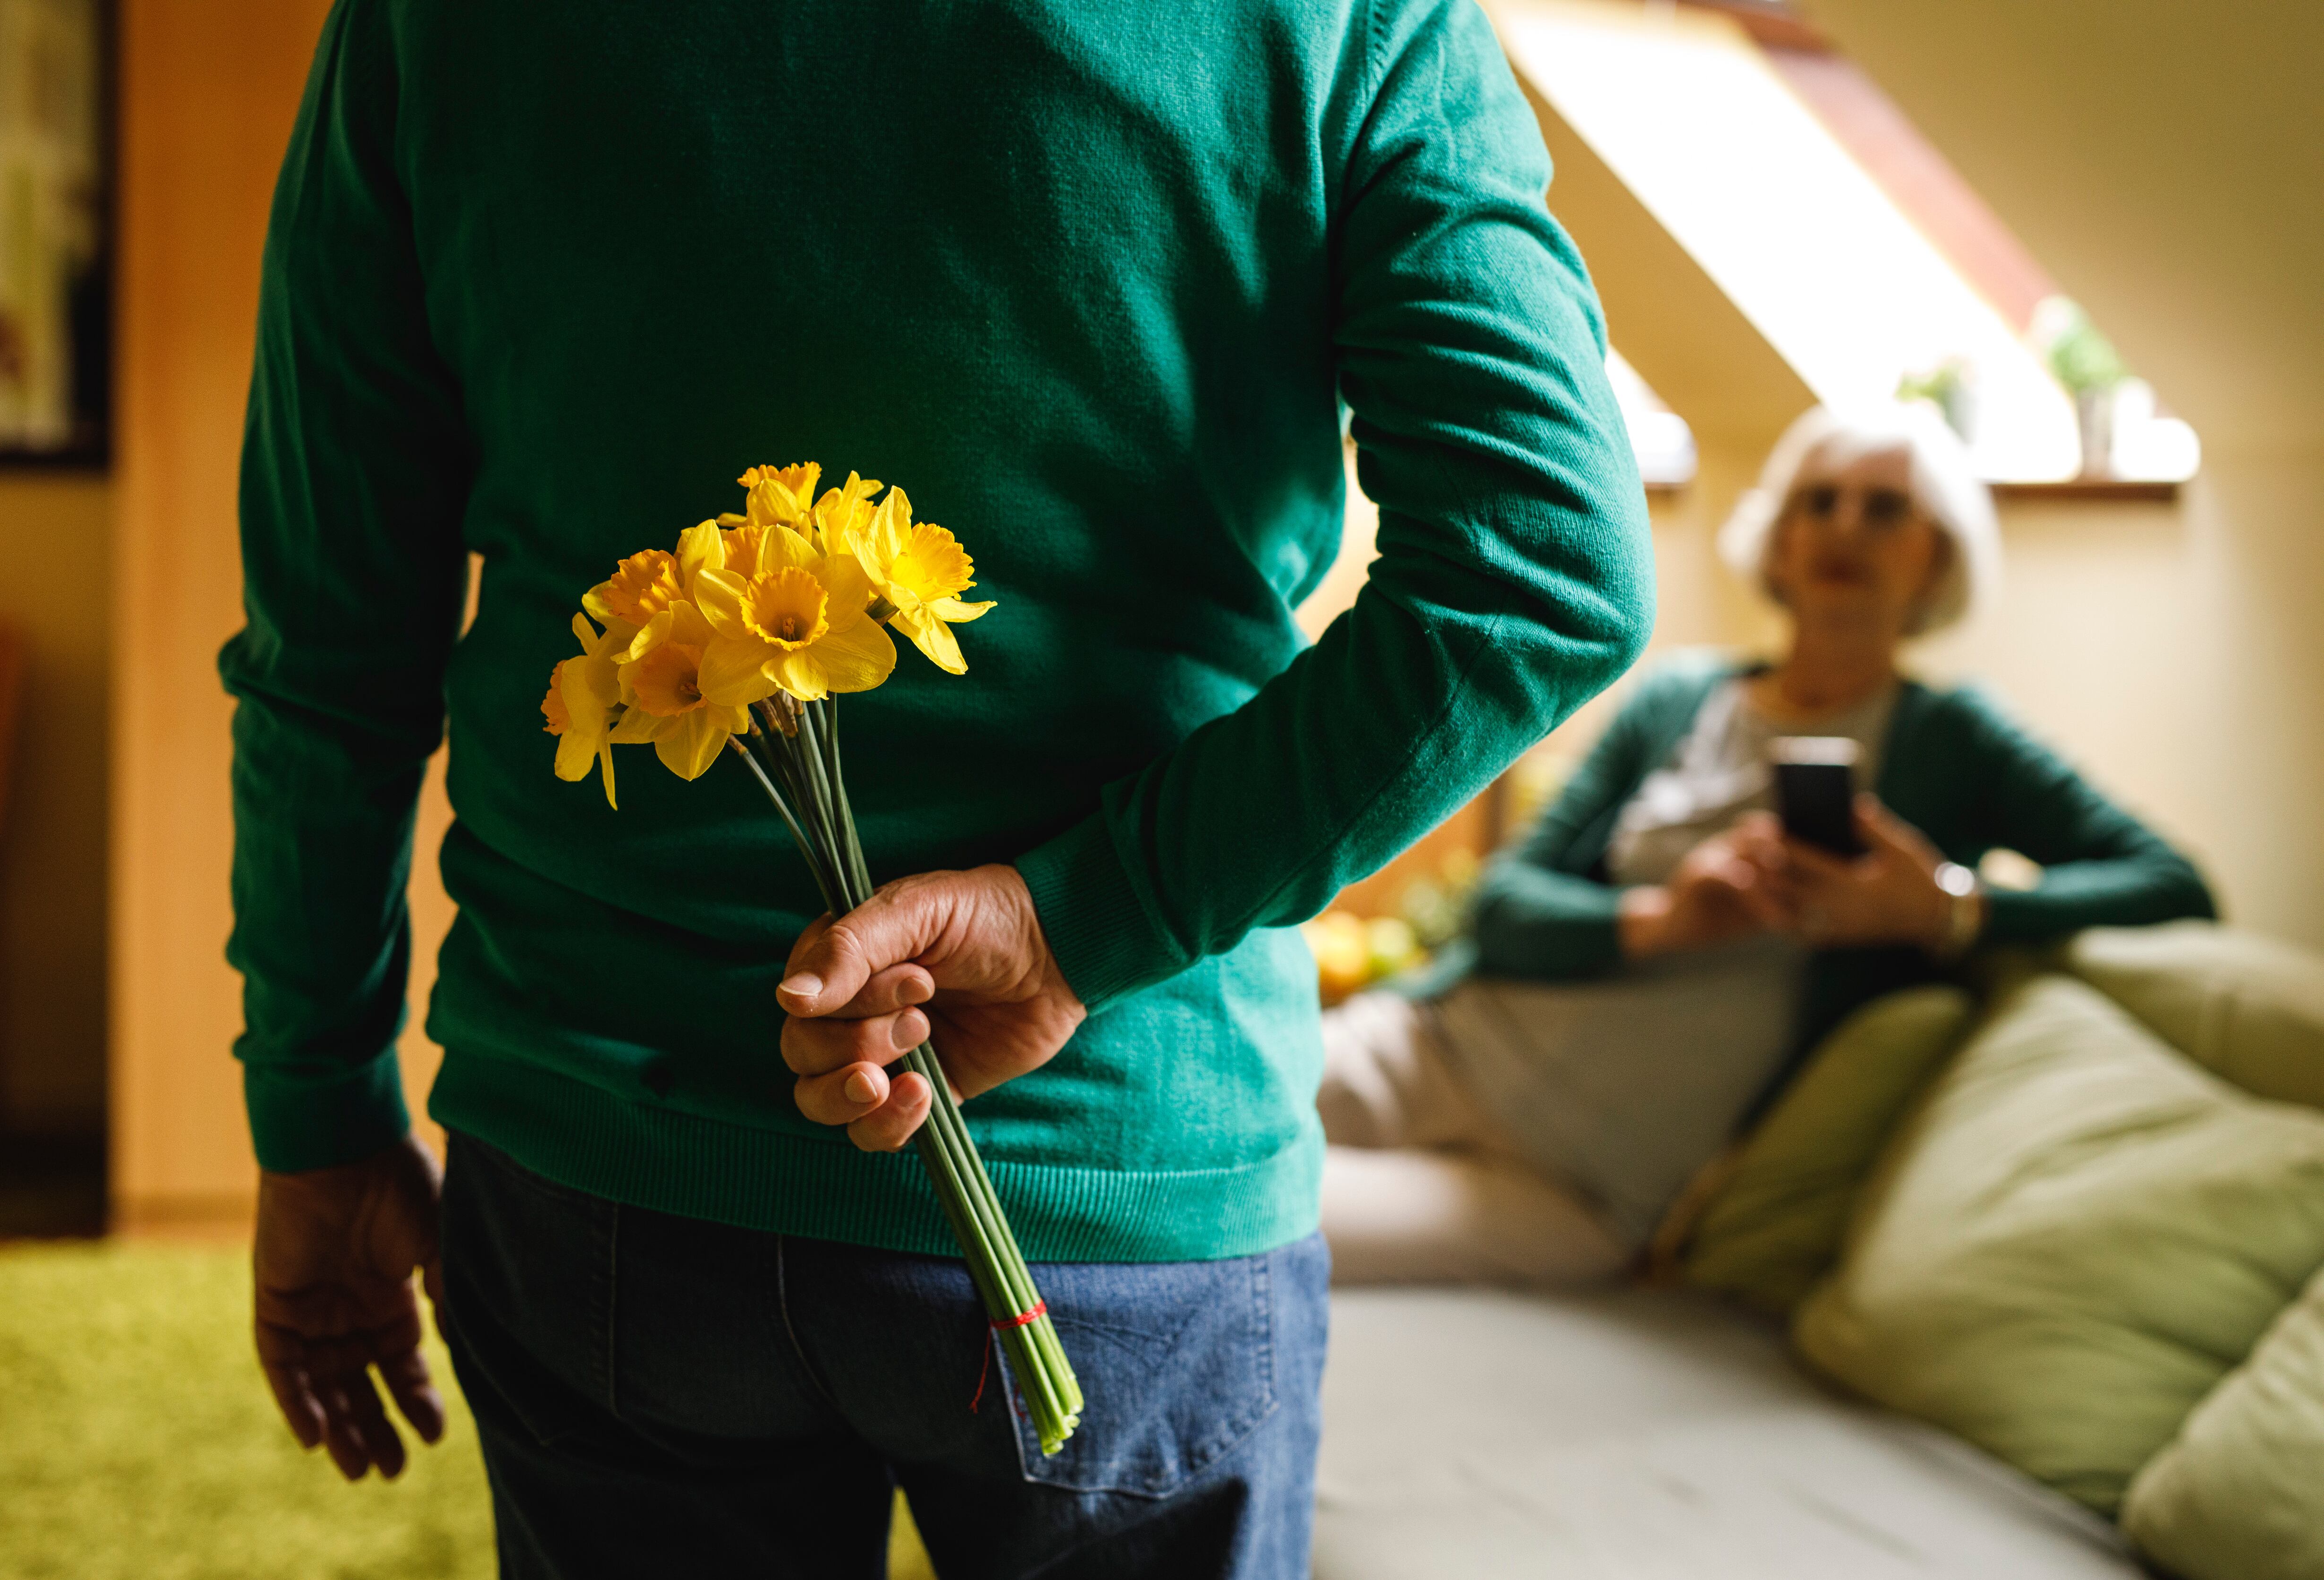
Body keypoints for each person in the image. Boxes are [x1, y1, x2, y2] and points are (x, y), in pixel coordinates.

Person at [225, 3, 1654, 1576]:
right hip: (1126, 1173)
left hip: (610, 1171)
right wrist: (1079, 922)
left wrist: (317, 1114)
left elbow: (331, 653)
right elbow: (1548, 565)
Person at [1317, 403, 2216, 1288]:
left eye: (1885, 507)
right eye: (1817, 502)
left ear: (1937, 556)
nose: (1844, 528)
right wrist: (1663, 919)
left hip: (1579, 1189)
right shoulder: (1675, 700)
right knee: (1186, 1126)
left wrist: (1947, 908)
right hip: (1436, 1049)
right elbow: (1501, 906)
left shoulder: (1957, 742)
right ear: (1778, 543)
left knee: (1254, 1217)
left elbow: (2175, 887)